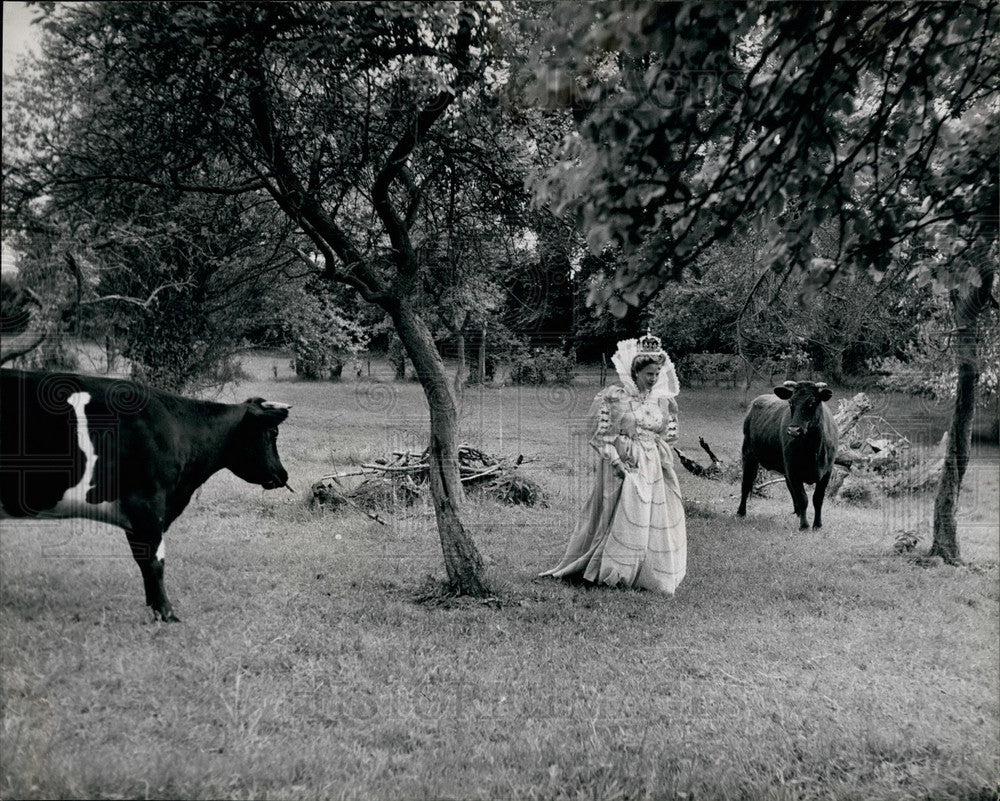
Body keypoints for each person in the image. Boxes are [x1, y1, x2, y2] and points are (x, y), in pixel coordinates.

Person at [541, 333, 687, 594]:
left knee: (651, 516)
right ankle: (617, 570)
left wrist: (661, 452)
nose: (653, 379)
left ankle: (648, 570)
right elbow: (601, 436)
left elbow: (668, 434)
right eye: (649, 374)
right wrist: (618, 461)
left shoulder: (663, 400)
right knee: (626, 513)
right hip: (625, 461)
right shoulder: (617, 397)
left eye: (657, 373)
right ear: (636, 372)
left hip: (652, 462)